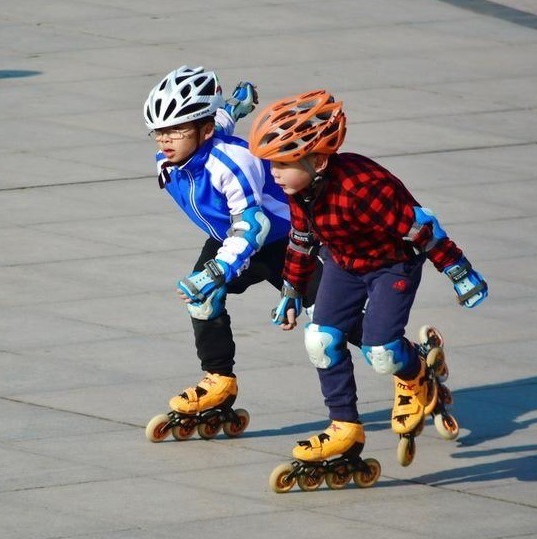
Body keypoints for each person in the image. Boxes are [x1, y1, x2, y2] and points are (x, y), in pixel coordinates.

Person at [247, 89, 488, 464]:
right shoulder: (300, 190)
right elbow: (301, 239)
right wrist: (291, 289)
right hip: (344, 263)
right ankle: (344, 426)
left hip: (392, 265)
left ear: (317, 160)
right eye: (271, 163)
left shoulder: (361, 188)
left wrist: (459, 271)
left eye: (282, 163)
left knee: (381, 353)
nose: (273, 172)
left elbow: (421, 229)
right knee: (320, 340)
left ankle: (416, 373)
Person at [143, 65, 294, 424]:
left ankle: (408, 364)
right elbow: (218, 124)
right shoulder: (176, 156)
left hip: (284, 240)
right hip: (228, 239)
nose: (165, 140)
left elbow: (252, 227)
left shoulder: (232, 162)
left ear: (203, 130)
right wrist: (233, 109)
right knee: (203, 299)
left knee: (330, 323)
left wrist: (215, 271)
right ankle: (219, 380)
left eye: (176, 130)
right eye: (159, 131)